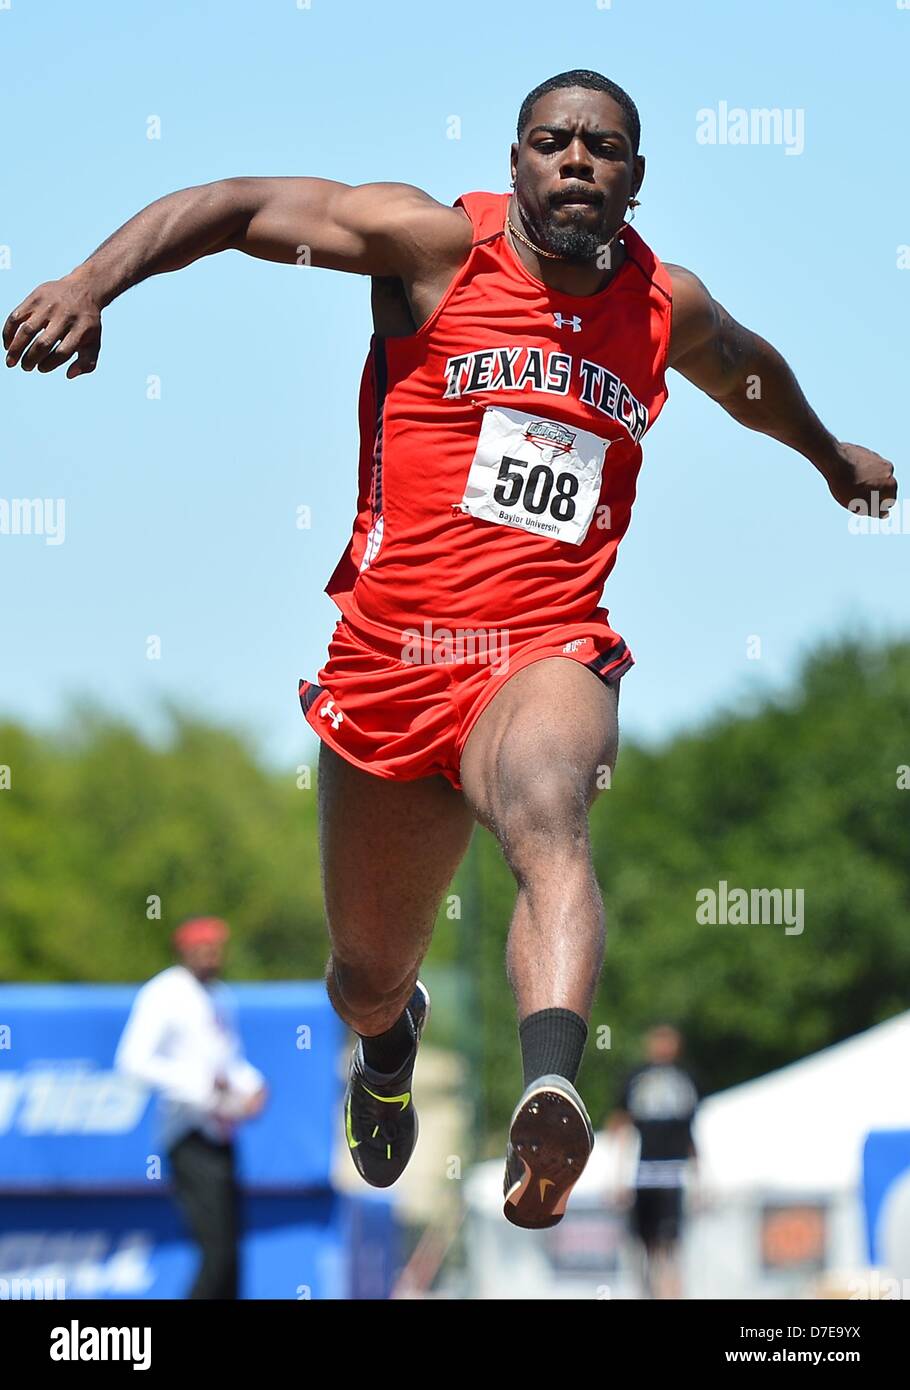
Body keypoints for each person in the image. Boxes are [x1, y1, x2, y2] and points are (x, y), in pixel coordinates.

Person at [5, 70, 896, 1231]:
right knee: (364, 974)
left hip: (542, 646)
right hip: (390, 662)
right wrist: (89, 282)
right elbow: (233, 206)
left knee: (549, 809)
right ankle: (388, 1045)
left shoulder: (662, 305)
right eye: (553, 140)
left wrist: (830, 458)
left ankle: (549, 1087)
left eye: (603, 147)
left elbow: (744, 372)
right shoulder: (429, 250)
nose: (576, 159)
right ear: (516, 158)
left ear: (634, 177)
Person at [114, 917, 268, 1298]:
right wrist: (199, 1085)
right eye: (204, 950)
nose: (212, 957)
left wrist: (252, 1087)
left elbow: (229, 1061)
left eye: (216, 950)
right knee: (215, 1252)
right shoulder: (163, 994)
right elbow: (132, 1061)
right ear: (185, 951)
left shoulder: (219, 997)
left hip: (222, 1132)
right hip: (187, 1133)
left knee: (231, 1253)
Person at [608, 1025, 700, 1298]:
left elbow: (692, 1132)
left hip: (674, 1172)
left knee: (670, 1243)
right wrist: (617, 1177)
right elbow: (621, 1126)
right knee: (643, 1242)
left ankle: (670, 1292)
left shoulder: (687, 1078)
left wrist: (700, 1177)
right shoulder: (636, 1078)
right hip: (643, 1173)